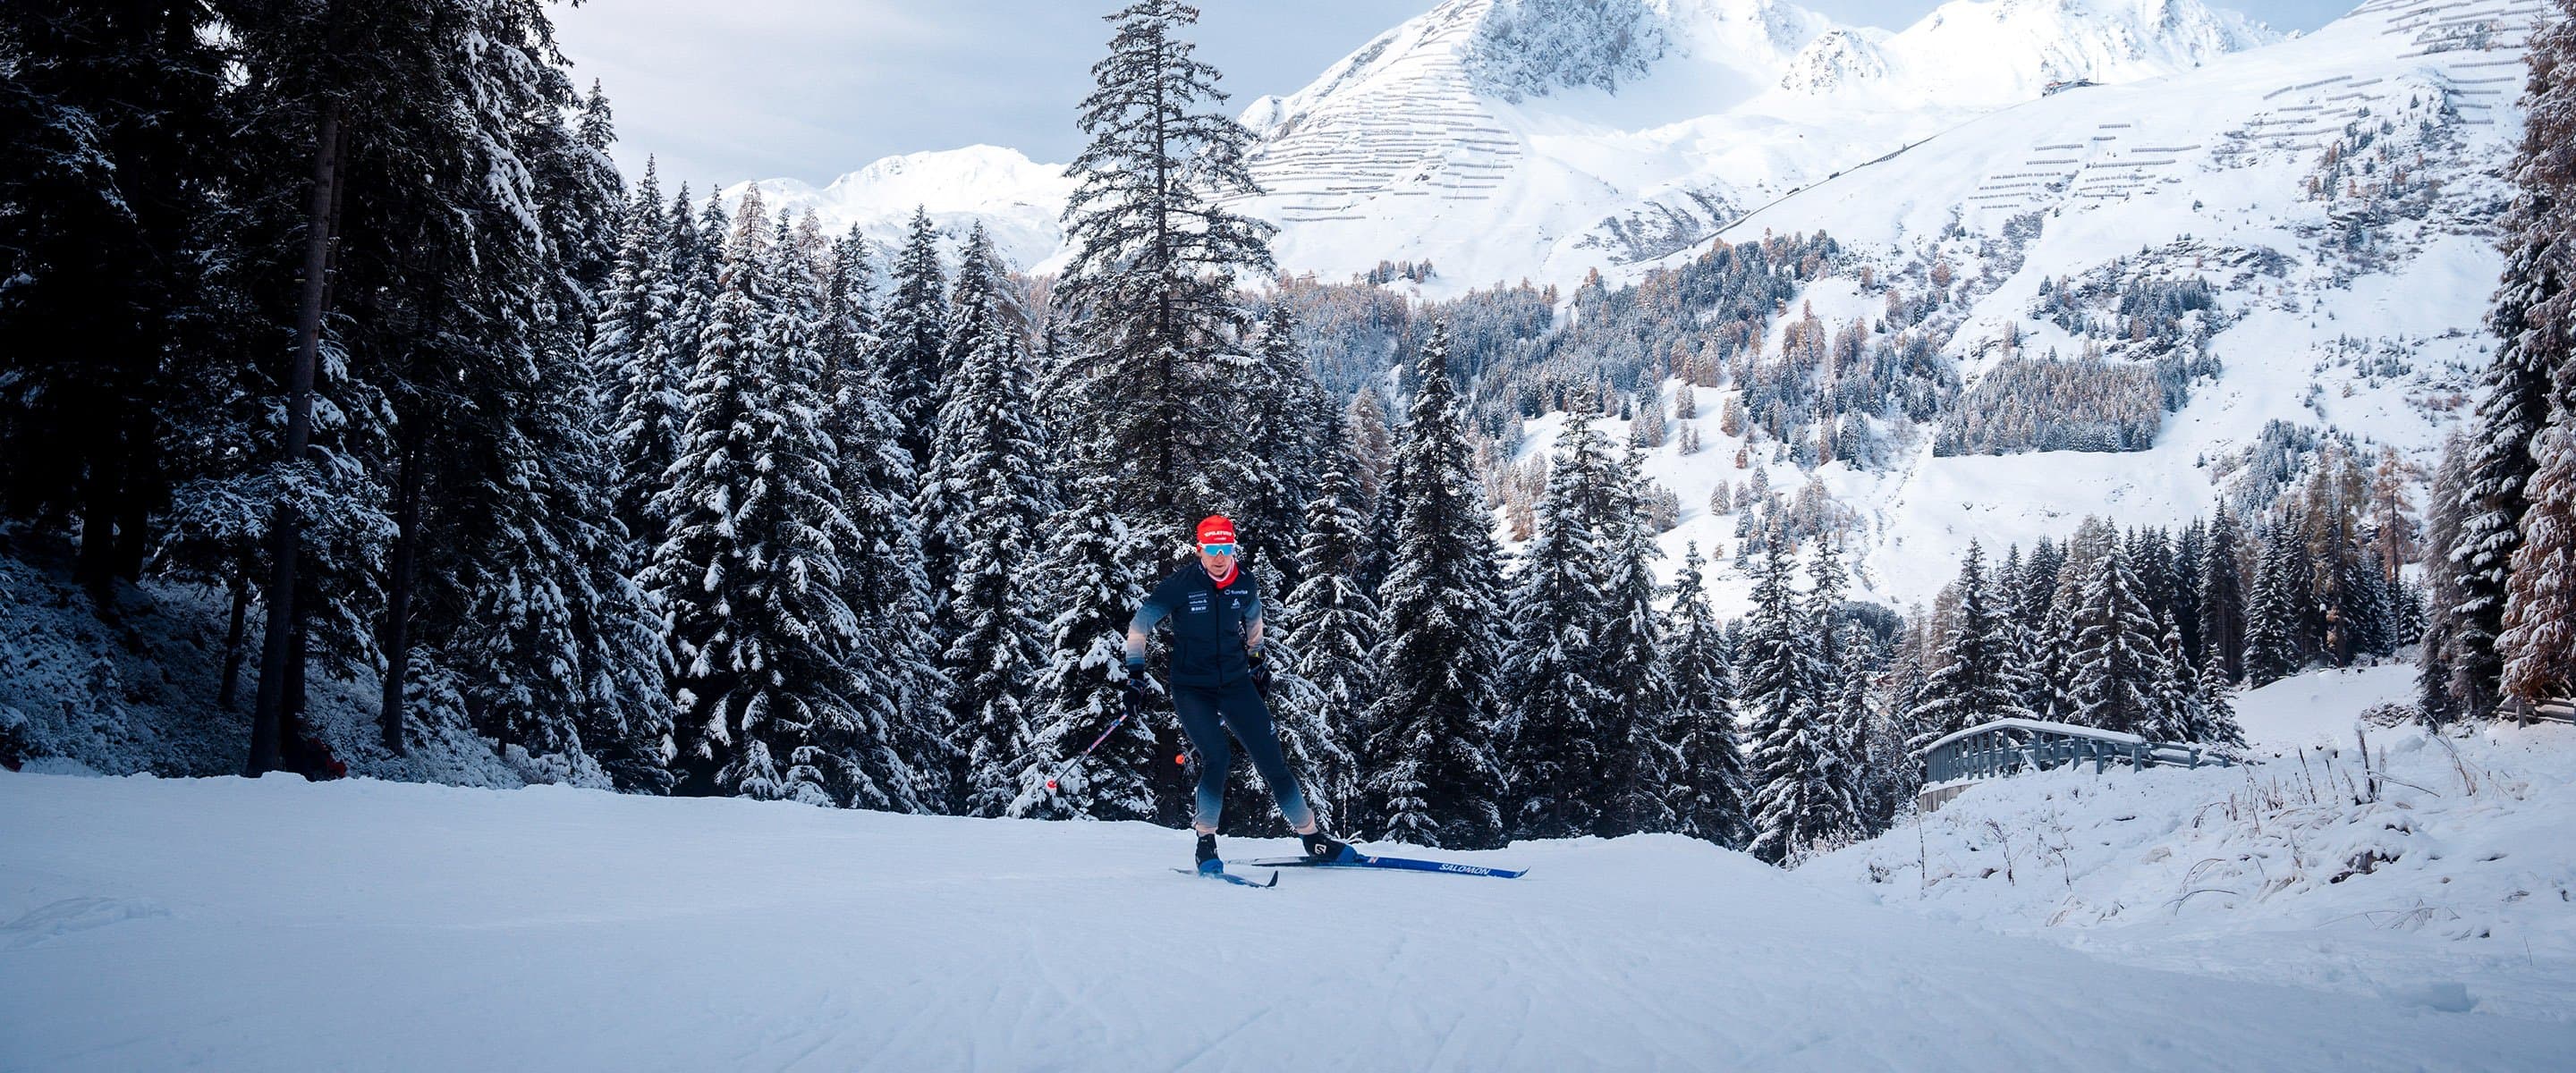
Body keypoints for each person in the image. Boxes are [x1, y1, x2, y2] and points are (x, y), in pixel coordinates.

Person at [1127, 515, 1353, 873]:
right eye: (1212, 549)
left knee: (1273, 761)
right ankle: (1206, 843)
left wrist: (1258, 661)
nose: (1219, 557)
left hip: (1235, 684)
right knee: (1216, 757)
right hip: (1192, 688)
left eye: (1226, 548)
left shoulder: (1243, 582)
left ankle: (1313, 837)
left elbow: (1254, 622)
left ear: (1233, 547)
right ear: (1199, 548)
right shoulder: (1179, 585)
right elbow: (1138, 628)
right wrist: (1136, 676)